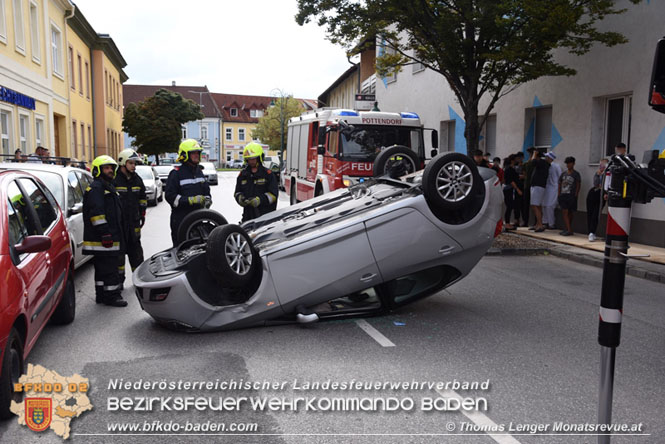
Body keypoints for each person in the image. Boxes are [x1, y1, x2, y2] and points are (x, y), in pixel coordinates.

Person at [82, 155, 127, 307]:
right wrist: (105, 233)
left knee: (101, 268)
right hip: (104, 237)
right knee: (110, 268)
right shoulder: (97, 188)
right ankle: (112, 296)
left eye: (111, 168)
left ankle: (101, 294)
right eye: (106, 168)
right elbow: (96, 213)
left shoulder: (106, 186)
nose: (109, 171)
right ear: (97, 170)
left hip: (104, 237)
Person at [165, 139, 212, 246]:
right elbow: (170, 196)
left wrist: (208, 199)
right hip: (181, 220)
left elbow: (206, 190)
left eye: (198, 153)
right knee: (181, 250)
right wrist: (189, 200)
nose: (197, 155)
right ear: (184, 155)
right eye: (193, 153)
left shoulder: (199, 172)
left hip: (198, 219)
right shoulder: (176, 174)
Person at [114, 149, 147, 283]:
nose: (134, 166)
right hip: (119, 226)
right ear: (122, 163)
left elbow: (142, 198)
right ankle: (119, 283)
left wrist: (142, 214)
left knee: (137, 256)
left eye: (135, 163)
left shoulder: (137, 180)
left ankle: (139, 281)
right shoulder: (114, 181)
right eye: (131, 163)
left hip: (133, 225)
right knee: (119, 258)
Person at [234, 142, 278, 222]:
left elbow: (273, 195)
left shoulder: (267, 174)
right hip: (248, 215)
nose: (251, 161)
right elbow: (237, 192)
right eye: (249, 159)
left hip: (265, 216)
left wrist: (259, 200)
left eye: (253, 158)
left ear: (259, 158)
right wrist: (240, 198)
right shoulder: (243, 175)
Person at [557, 156, 581, 236]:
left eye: (570, 163)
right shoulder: (563, 173)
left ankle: (568, 228)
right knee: (564, 211)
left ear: (573, 164)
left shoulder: (576, 174)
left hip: (571, 195)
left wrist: (576, 194)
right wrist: (559, 194)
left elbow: (578, 184)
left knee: (570, 212)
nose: (568, 165)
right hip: (563, 195)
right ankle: (569, 229)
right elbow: (559, 183)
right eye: (567, 163)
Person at [587, 158, 608, 241]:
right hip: (593, 192)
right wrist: (598, 174)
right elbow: (595, 183)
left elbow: (605, 185)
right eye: (600, 165)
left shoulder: (608, 174)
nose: (601, 167)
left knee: (596, 214)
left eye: (603, 165)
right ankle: (590, 232)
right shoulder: (598, 173)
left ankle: (592, 231)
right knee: (590, 213)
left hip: (602, 194)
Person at [529, 150, 549, 232]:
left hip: (537, 186)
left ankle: (540, 224)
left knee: (534, 205)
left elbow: (532, 162)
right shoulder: (543, 164)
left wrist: (534, 153)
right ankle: (538, 223)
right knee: (538, 205)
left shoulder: (541, 162)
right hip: (538, 186)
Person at [542, 152, 561, 230]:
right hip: (546, 188)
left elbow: (560, 177)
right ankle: (545, 222)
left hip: (554, 188)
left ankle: (551, 224)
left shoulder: (556, 166)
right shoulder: (545, 166)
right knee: (544, 205)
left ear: (550, 158)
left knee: (550, 206)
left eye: (547, 157)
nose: (545, 158)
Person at [502, 154, 522, 230]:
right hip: (510, 190)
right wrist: (517, 189)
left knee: (511, 206)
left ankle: (511, 222)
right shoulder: (509, 169)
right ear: (512, 160)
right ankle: (507, 223)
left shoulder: (510, 169)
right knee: (509, 207)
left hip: (509, 189)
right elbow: (511, 181)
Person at [521, 147, 537, 227]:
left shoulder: (533, 163)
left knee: (532, 205)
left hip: (531, 185)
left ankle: (531, 222)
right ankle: (529, 221)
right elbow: (524, 174)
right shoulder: (527, 163)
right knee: (529, 205)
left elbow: (524, 175)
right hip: (529, 185)